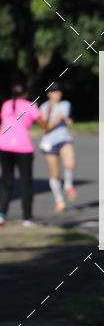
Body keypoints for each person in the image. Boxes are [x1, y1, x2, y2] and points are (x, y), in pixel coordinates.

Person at [0, 84, 43, 226]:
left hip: (4, 145)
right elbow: (43, 123)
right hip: (23, 148)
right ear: (25, 94)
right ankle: (27, 218)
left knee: (6, 182)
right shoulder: (30, 105)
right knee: (26, 183)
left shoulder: (6, 104)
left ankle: (1, 215)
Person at [38, 83, 77, 212]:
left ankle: (68, 185)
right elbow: (45, 128)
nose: (57, 94)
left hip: (64, 138)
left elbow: (65, 118)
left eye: (59, 91)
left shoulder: (65, 104)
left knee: (70, 164)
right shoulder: (44, 107)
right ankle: (59, 199)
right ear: (49, 94)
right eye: (54, 92)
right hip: (49, 142)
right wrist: (55, 119)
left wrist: (68, 121)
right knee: (55, 173)